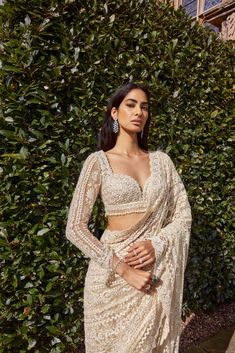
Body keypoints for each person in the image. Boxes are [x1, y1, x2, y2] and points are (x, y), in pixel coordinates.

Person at [65, 81, 192, 353]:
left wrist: (156, 245)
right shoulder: (98, 162)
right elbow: (75, 227)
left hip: (153, 273)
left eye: (144, 107)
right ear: (114, 113)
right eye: (130, 105)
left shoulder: (163, 162)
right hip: (112, 277)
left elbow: (183, 217)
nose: (139, 112)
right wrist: (124, 269)